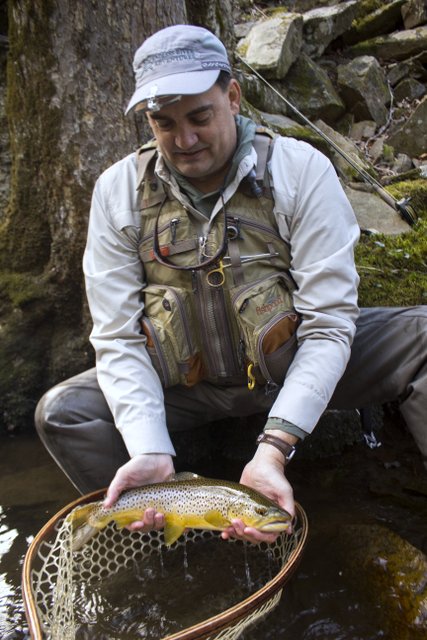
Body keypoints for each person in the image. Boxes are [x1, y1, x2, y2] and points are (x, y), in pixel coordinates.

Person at [35, 24, 427, 544]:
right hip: (187, 388)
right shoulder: (117, 192)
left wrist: (275, 446)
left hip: (288, 366)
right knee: (64, 414)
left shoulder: (299, 169)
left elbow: (331, 324)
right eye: (163, 123)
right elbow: (117, 339)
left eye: (200, 116)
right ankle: (163, 542)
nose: (185, 140)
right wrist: (149, 448)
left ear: (233, 96)